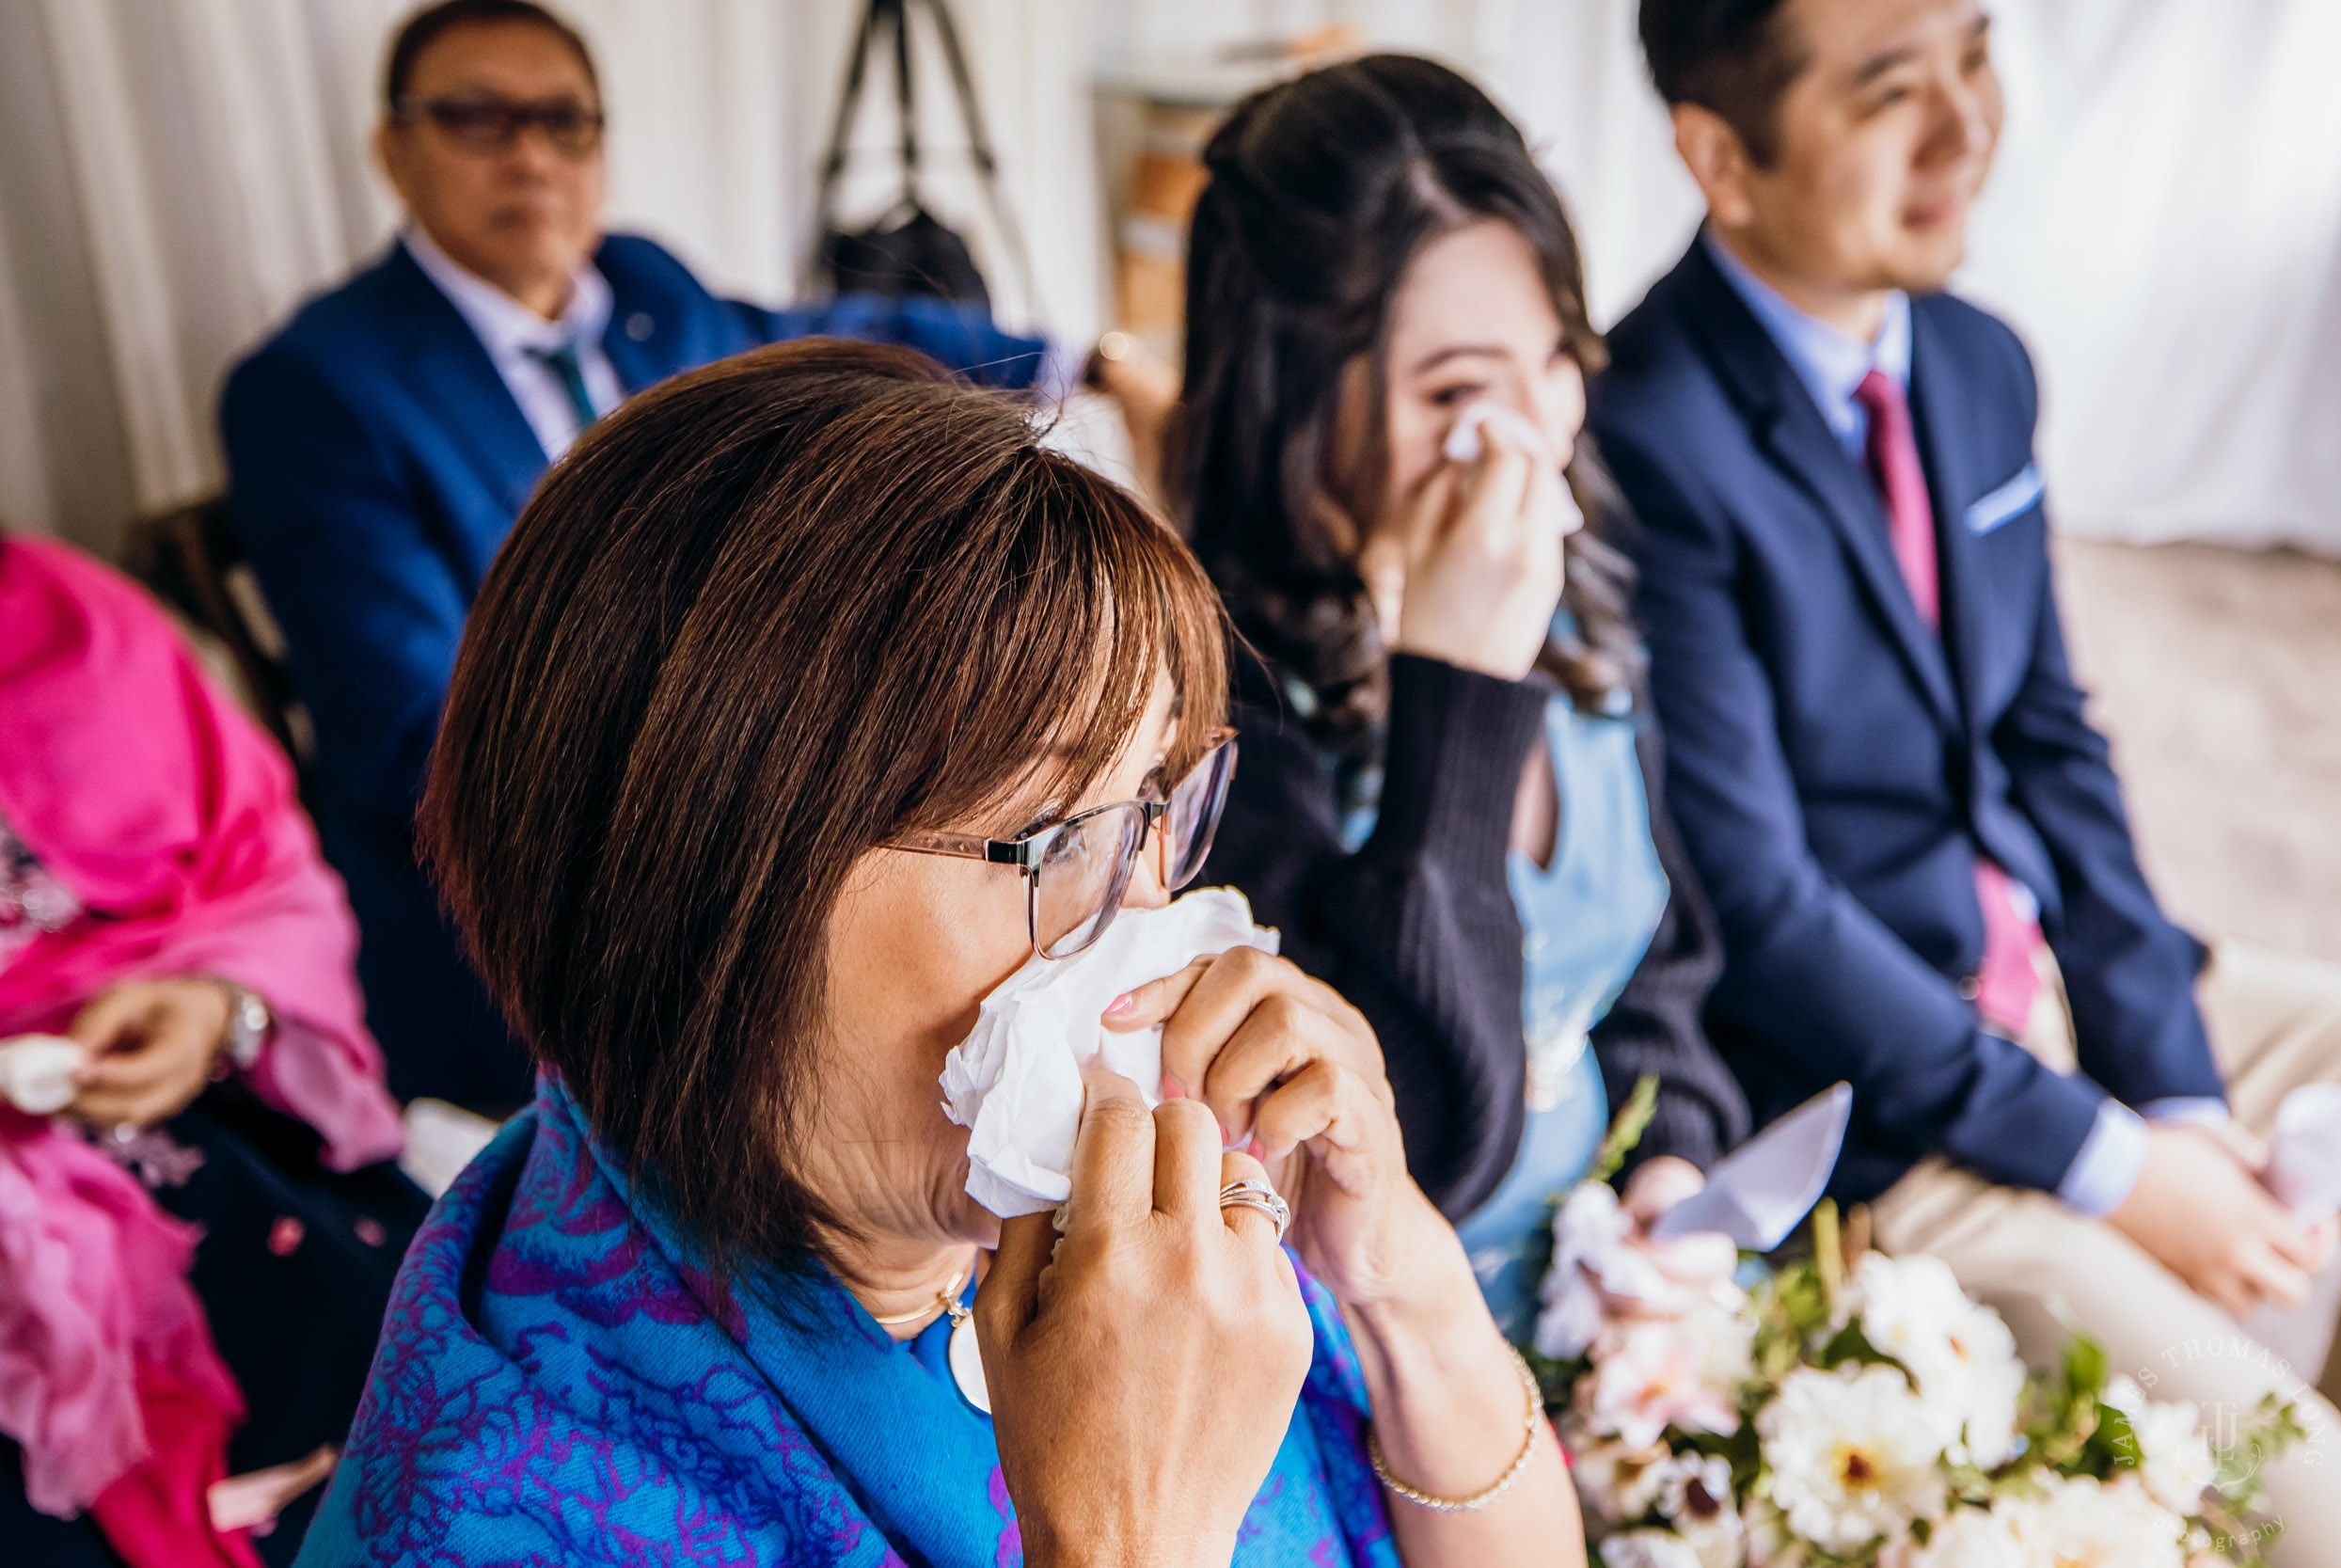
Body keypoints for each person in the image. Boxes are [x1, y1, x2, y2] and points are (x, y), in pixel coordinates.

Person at [294, 340, 1580, 1565]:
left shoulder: (1118, 1204)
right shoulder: (499, 1514)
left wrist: (1400, 1280)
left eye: (1158, 807)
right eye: (1050, 834)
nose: (1145, 915)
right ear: (704, 901)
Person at [1590, 1, 2341, 1553]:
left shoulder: (1978, 362)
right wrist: (2123, 1164)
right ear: (1720, 159)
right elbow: (1765, 911)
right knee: (2314, 1508)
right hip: (1878, 1106)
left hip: (2035, 996)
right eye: (1889, 92)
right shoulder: (1642, 430)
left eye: (1975, 57)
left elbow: (2050, 740)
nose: (1967, 127)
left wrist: (2175, 1086)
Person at [219, 0, 1047, 1114]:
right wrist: (732, 788)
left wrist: (1078, 359)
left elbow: (816, 333)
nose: (527, 154)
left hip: (744, 778)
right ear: (392, 150)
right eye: (476, 118)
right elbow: (415, 737)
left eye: (563, 122)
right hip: (535, 894)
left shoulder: (647, 290)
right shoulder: (316, 388)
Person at [1165, 55, 1749, 1338]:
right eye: (1458, 393)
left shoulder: (1571, 589)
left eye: (1555, 357)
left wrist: (1676, 1167)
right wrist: (1459, 689)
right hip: (1401, 1349)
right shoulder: (1215, 720)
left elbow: (1656, 974)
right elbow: (1406, 1134)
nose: (1537, 434)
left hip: (1631, 1289)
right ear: (1289, 405)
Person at [0, 534, 426, 1567]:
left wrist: (216, 1006)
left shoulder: (68, 622)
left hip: (233, 1150)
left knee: (433, 1388)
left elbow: (268, 881)